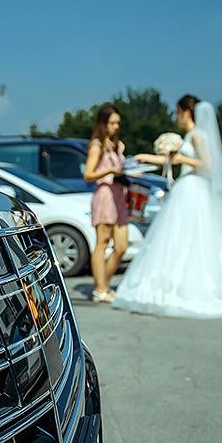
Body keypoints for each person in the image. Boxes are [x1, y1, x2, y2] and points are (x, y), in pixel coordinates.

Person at [112, 95, 222, 318]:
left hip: (194, 189)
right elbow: (173, 161)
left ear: (186, 112)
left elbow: (207, 165)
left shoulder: (197, 136)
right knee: (179, 237)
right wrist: (145, 157)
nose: (176, 118)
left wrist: (182, 160)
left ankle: (193, 287)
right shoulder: (188, 136)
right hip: (186, 189)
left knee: (193, 237)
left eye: (178, 113)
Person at [84, 103, 129, 303]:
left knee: (121, 245)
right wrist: (110, 171)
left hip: (119, 196)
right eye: (112, 123)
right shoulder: (97, 145)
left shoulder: (118, 146)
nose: (116, 127)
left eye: (118, 123)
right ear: (103, 124)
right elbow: (88, 175)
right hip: (104, 195)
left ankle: (104, 284)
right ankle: (99, 289)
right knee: (102, 242)